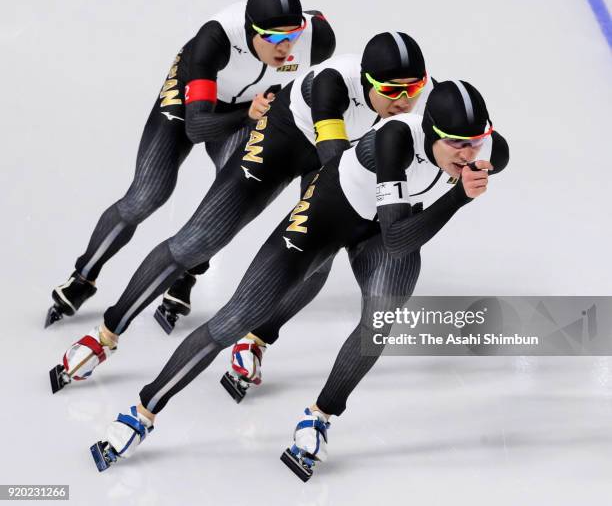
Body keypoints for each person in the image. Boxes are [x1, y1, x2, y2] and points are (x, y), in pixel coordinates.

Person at [87, 80, 509, 478]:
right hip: (329, 215)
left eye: (476, 142)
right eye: (456, 144)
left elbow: (399, 232)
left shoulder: (486, 148)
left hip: (382, 228)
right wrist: (457, 197)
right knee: (235, 317)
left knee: (379, 324)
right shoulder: (396, 139)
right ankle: (143, 410)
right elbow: (399, 239)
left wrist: (468, 170)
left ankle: (319, 415)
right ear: (429, 133)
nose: (468, 154)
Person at [49, 32, 432, 393]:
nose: (405, 101)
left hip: (343, 153)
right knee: (197, 240)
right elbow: (335, 166)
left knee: (316, 262)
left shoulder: (412, 105)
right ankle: (106, 334)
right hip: (288, 140)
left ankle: (256, 338)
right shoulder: (334, 84)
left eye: (414, 89)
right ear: (366, 82)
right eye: (392, 91)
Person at [44, 0, 335, 327]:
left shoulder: (318, 40)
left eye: (293, 34)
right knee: (147, 194)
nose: (286, 47)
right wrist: (249, 115)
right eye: (273, 37)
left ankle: (188, 273)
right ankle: (84, 275)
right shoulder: (215, 39)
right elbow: (197, 129)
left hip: (249, 106)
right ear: (249, 30)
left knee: (232, 196)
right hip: (192, 103)